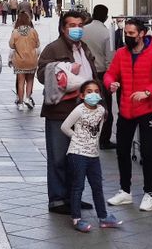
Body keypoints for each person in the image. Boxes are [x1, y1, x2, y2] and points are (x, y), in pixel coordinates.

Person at [104, 18, 152, 212]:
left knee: (148, 152)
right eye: (126, 33)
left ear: (142, 34)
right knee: (122, 151)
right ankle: (125, 191)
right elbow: (110, 74)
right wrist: (110, 83)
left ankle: (149, 193)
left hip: (147, 110)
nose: (127, 36)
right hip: (126, 110)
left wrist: (148, 92)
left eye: (131, 33)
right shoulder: (121, 53)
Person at [37, 11, 97, 215]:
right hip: (60, 111)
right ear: (63, 28)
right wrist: (64, 69)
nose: (77, 29)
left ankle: (74, 197)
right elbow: (41, 74)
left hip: (83, 111)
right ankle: (57, 199)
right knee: (59, 156)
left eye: (80, 25)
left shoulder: (84, 48)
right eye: (72, 25)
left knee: (78, 156)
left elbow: (93, 76)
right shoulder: (53, 48)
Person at [61, 81, 123, 233]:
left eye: (96, 91)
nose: (93, 94)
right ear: (82, 95)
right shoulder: (79, 110)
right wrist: (77, 138)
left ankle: (103, 217)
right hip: (77, 153)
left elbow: (98, 131)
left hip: (93, 155)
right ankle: (76, 219)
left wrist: (94, 144)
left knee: (97, 186)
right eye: (89, 92)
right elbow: (65, 127)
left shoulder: (101, 110)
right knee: (78, 186)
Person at [81, 4, 117, 150]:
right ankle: (104, 140)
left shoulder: (83, 30)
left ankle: (84, 137)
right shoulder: (107, 33)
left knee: (85, 106)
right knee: (105, 107)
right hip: (101, 74)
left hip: (84, 72)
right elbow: (109, 58)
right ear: (106, 17)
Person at [9, 11, 40, 111]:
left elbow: (11, 45)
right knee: (30, 81)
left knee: (20, 82)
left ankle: (20, 103)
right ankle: (28, 98)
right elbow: (37, 44)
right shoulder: (33, 31)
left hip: (19, 61)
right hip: (32, 60)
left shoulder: (15, 32)